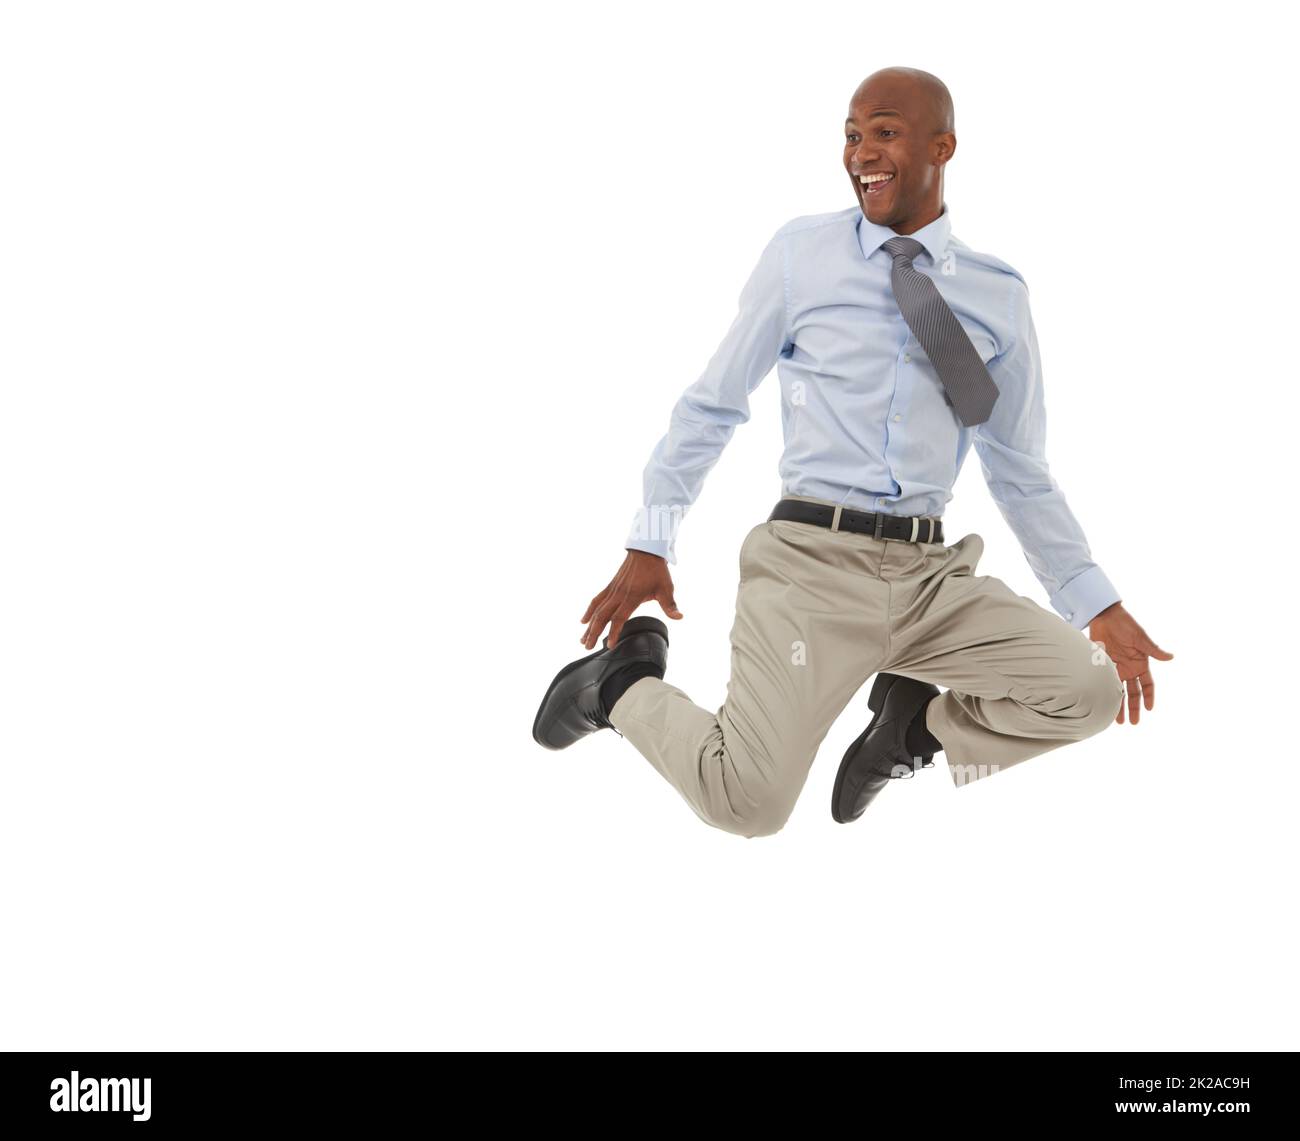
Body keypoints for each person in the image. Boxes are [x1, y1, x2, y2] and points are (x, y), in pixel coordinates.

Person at [532, 66, 1172, 838]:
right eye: (851, 133)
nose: (862, 150)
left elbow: (1018, 468)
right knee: (749, 806)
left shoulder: (997, 294)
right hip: (811, 572)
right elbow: (713, 402)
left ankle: (916, 729)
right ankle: (620, 688)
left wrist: (1094, 602)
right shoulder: (804, 256)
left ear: (944, 146)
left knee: (1090, 693)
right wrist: (650, 536)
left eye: (886, 131)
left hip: (931, 577)